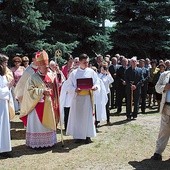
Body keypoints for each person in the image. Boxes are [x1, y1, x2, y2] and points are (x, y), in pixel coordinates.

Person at [20, 50, 59, 148]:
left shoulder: (50, 75)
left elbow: (55, 88)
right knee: (38, 125)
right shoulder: (33, 77)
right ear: (39, 67)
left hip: (48, 105)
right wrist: (42, 91)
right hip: (36, 106)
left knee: (48, 123)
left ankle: (49, 142)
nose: (47, 69)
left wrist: (57, 80)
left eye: (47, 67)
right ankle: (37, 144)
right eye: (45, 67)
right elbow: (29, 91)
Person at [66, 53, 99, 144]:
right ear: (79, 62)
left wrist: (95, 87)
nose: (86, 64)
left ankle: (88, 136)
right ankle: (79, 136)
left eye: (87, 62)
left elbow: (97, 82)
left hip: (88, 97)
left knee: (88, 117)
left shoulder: (91, 72)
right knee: (78, 118)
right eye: (84, 62)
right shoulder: (74, 73)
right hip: (78, 99)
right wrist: (75, 89)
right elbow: (68, 86)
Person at [151, 70, 170, 160]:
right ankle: (158, 152)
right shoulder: (165, 75)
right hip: (167, 106)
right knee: (164, 131)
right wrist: (164, 87)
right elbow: (157, 87)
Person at [0, 64, 14, 158]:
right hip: (1, 103)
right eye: (5, 62)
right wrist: (8, 86)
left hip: (3, 103)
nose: (6, 65)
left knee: (4, 125)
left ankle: (4, 148)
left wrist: (9, 86)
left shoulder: (3, 75)